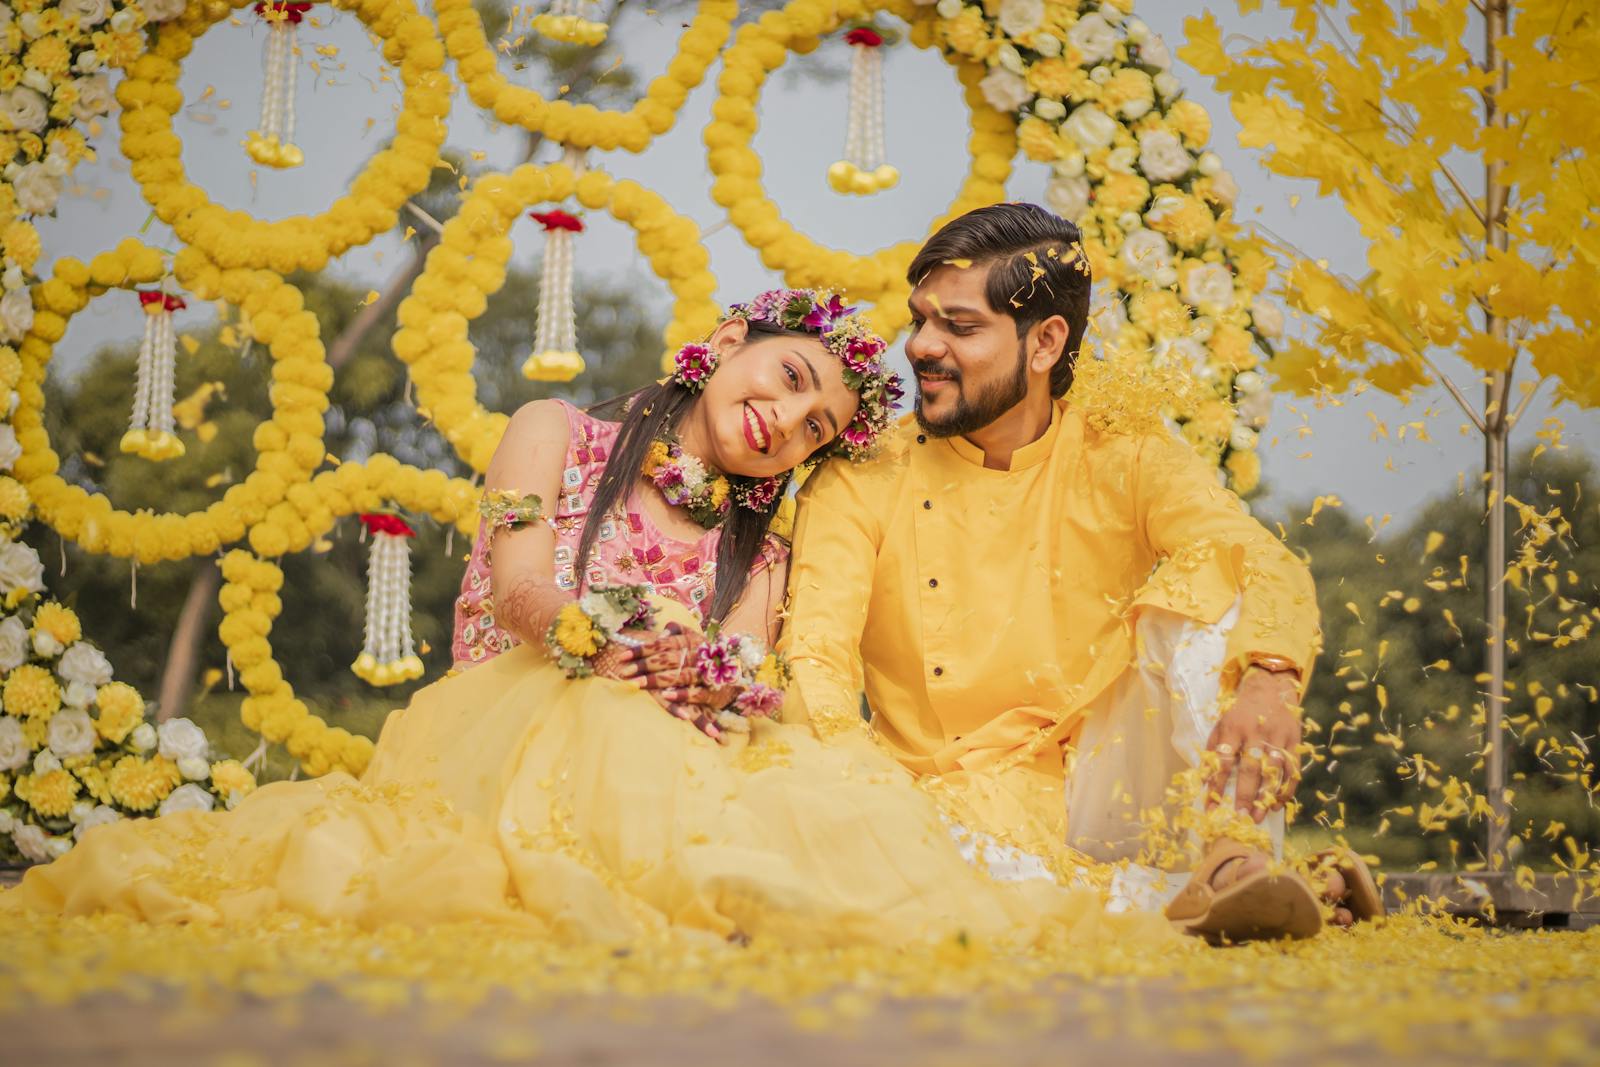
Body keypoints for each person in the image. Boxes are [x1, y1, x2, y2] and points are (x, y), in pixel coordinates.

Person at [1, 288, 1167, 951]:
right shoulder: (554, 431)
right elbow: (517, 591)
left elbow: (746, 671)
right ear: (726, 347)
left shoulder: (766, 540)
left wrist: (704, 678)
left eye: (816, 426)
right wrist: (620, 641)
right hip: (510, 715)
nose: (788, 418)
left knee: (810, 783)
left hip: (673, 750)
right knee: (593, 713)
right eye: (790, 376)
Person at [780, 204, 1384, 942]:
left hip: (1113, 779)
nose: (921, 347)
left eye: (960, 327)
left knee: (1210, 580)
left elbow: (1258, 557)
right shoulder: (865, 474)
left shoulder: (1122, 447)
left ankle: (1233, 852)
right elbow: (816, 659)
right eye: (920, 320)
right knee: (940, 874)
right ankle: (1248, 895)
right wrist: (854, 798)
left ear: (1046, 343)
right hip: (949, 800)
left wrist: (1271, 676)